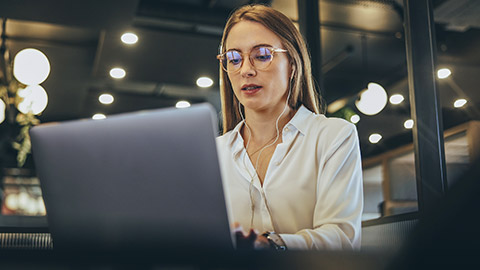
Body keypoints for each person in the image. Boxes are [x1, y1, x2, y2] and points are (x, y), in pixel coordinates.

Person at [215, 4, 363, 250]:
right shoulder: (214, 152)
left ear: (293, 64)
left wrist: (272, 244)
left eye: (262, 55)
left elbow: (342, 238)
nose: (246, 70)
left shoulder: (332, 137)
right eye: (234, 58)